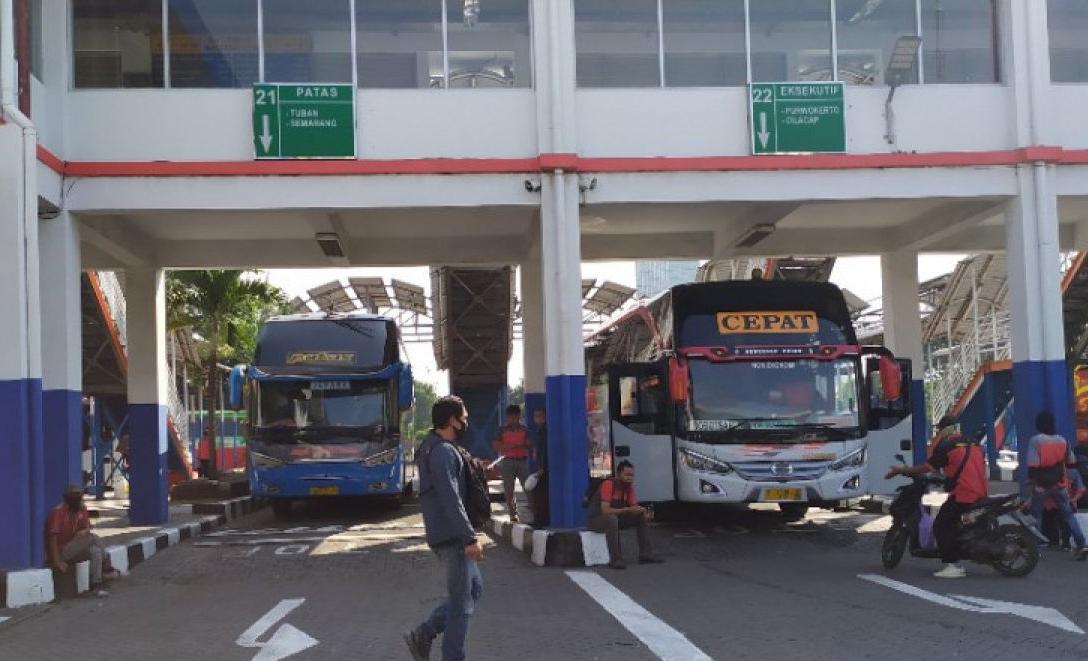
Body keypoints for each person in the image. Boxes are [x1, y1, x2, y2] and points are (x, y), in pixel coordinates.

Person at [406, 396, 484, 661]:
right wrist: (469, 537)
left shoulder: (435, 447)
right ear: (452, 420)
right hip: (451, 536)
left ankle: (424, 633)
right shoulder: (442, 451)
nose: (466, 421)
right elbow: (450, 498)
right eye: (464, 416)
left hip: (447, 532)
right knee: (462, 603)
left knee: (473, 590)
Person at [886, 418, 988, 578]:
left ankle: (953, 565)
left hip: (964, 493)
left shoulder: (946, 446)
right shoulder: (973, 443)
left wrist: (901, 470)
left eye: (940, 430)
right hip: (980, 491)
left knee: (941, 525)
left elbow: (926, 468)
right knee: (954, 521)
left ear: (943, 430)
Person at [1026, 411, 1088, 560]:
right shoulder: (1063, 440)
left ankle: (1034, 548)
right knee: (1068, 515)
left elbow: (1033, 465)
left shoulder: (1036, 441)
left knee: (1035, 516)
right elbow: (1071, 461)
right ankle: (1081, 543)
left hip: (1041, 485)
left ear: (1038, 424)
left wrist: (1033, 484)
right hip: (1059, 484)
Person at [586, 461, 663, 570]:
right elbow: (605, 510)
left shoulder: (629, 488)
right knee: (611, 519)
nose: (630, 478)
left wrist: (642, 511)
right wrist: (627, 509)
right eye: (627, 475)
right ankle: (616, 559)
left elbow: (633, 507)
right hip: (596, 520)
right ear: (618, 474)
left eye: (632, 475)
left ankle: (646, 554)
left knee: (640, 517)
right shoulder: (609, 485)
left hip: (616, 517)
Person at [47, 485, 112, 586]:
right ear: (67, 498)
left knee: (96, 551)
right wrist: (57, 562)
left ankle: (96, 582)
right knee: (93, 537)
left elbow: (88, 528)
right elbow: (52, 539)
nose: (77, 500)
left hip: (76, 548)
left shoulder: (81, 509)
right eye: (74, 497)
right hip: (63, 550)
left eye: (79, 496)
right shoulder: (58, 512)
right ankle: (107, 563)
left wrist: (84, 531)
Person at [492, 404, 531, 523]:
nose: (513, 419)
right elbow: (495, 445)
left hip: (522, 461)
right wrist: (508, 447)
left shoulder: (525, 429)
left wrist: (523, 445)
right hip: (508, 462)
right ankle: (513, 514)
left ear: (519, 416)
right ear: (507, 417)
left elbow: (530, 443)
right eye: (511, 417)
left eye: (515, 417)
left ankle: (533, 511)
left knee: (528, 487)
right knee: (509, 489)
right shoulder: (501, 430)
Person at [528, 407, 549, 529]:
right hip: (541, 467)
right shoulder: (540, 430)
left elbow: (544, 451)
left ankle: (541, 520)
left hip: (543, 468)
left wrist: (542, 467)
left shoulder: (545, 431)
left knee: (539, 494)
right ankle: (539, 519)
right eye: (536, 416)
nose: (537, 418)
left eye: (540, 415)